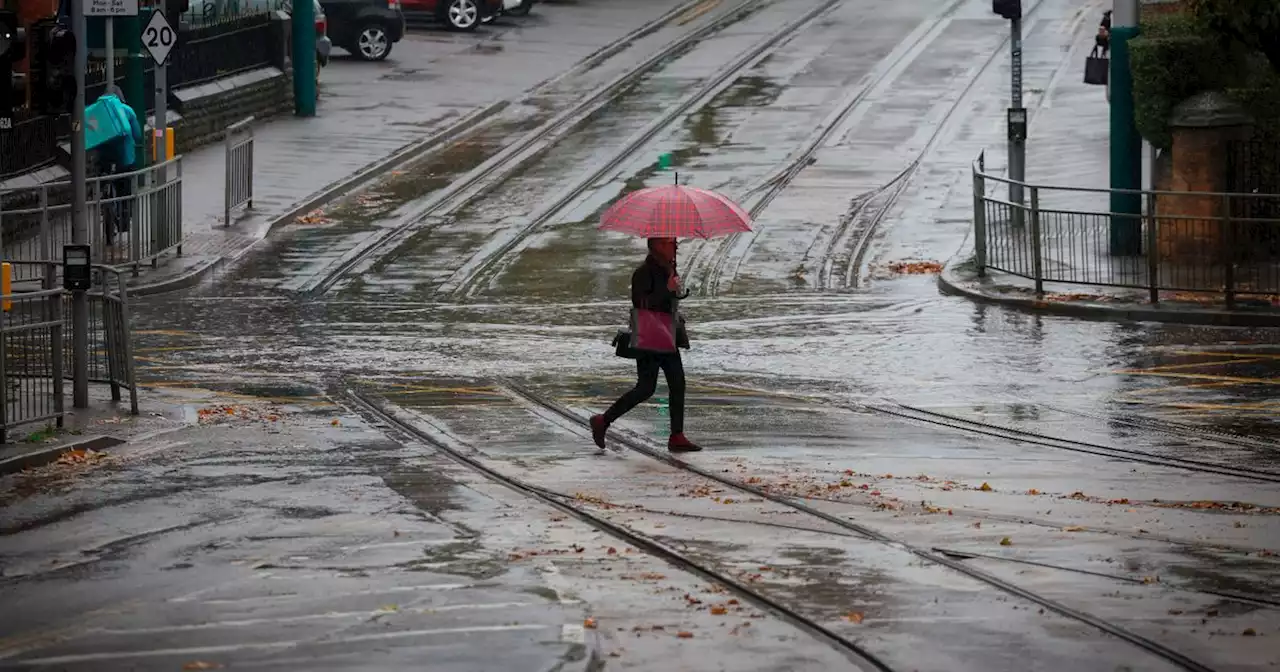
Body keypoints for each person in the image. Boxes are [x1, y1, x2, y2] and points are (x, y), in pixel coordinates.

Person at [591, 237, 702, 453]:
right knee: (646, 388)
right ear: (658, 246)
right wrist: (667, 289)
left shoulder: (667, 269)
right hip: (651, 338)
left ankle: (676, 435)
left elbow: (667, 300)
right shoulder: (643, 272)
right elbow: (641, 304)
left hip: (666, 335)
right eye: (671, 243)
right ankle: (603, 420)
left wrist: (676, 289)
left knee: (672, 384)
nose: (675, 246)